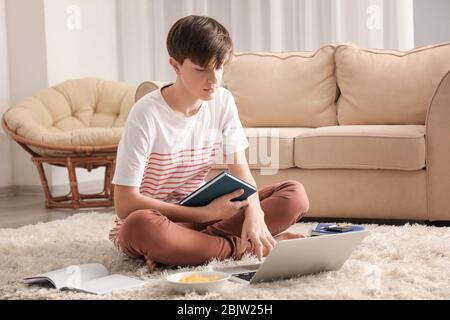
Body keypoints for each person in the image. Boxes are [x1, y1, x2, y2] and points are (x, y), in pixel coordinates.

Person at [109, 15, 310, 270]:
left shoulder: (222, 101)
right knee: (140, 227)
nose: (214, 80)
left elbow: (241, 172)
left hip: (207, 216)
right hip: (161, 220)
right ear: (175, 65)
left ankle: (190, 251)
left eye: (219, 67)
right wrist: (205, 214)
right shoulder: (146, 114)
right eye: (202, 69)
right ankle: (251, 247)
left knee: (294, 195)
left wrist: (254, 214)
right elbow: (125, 204)